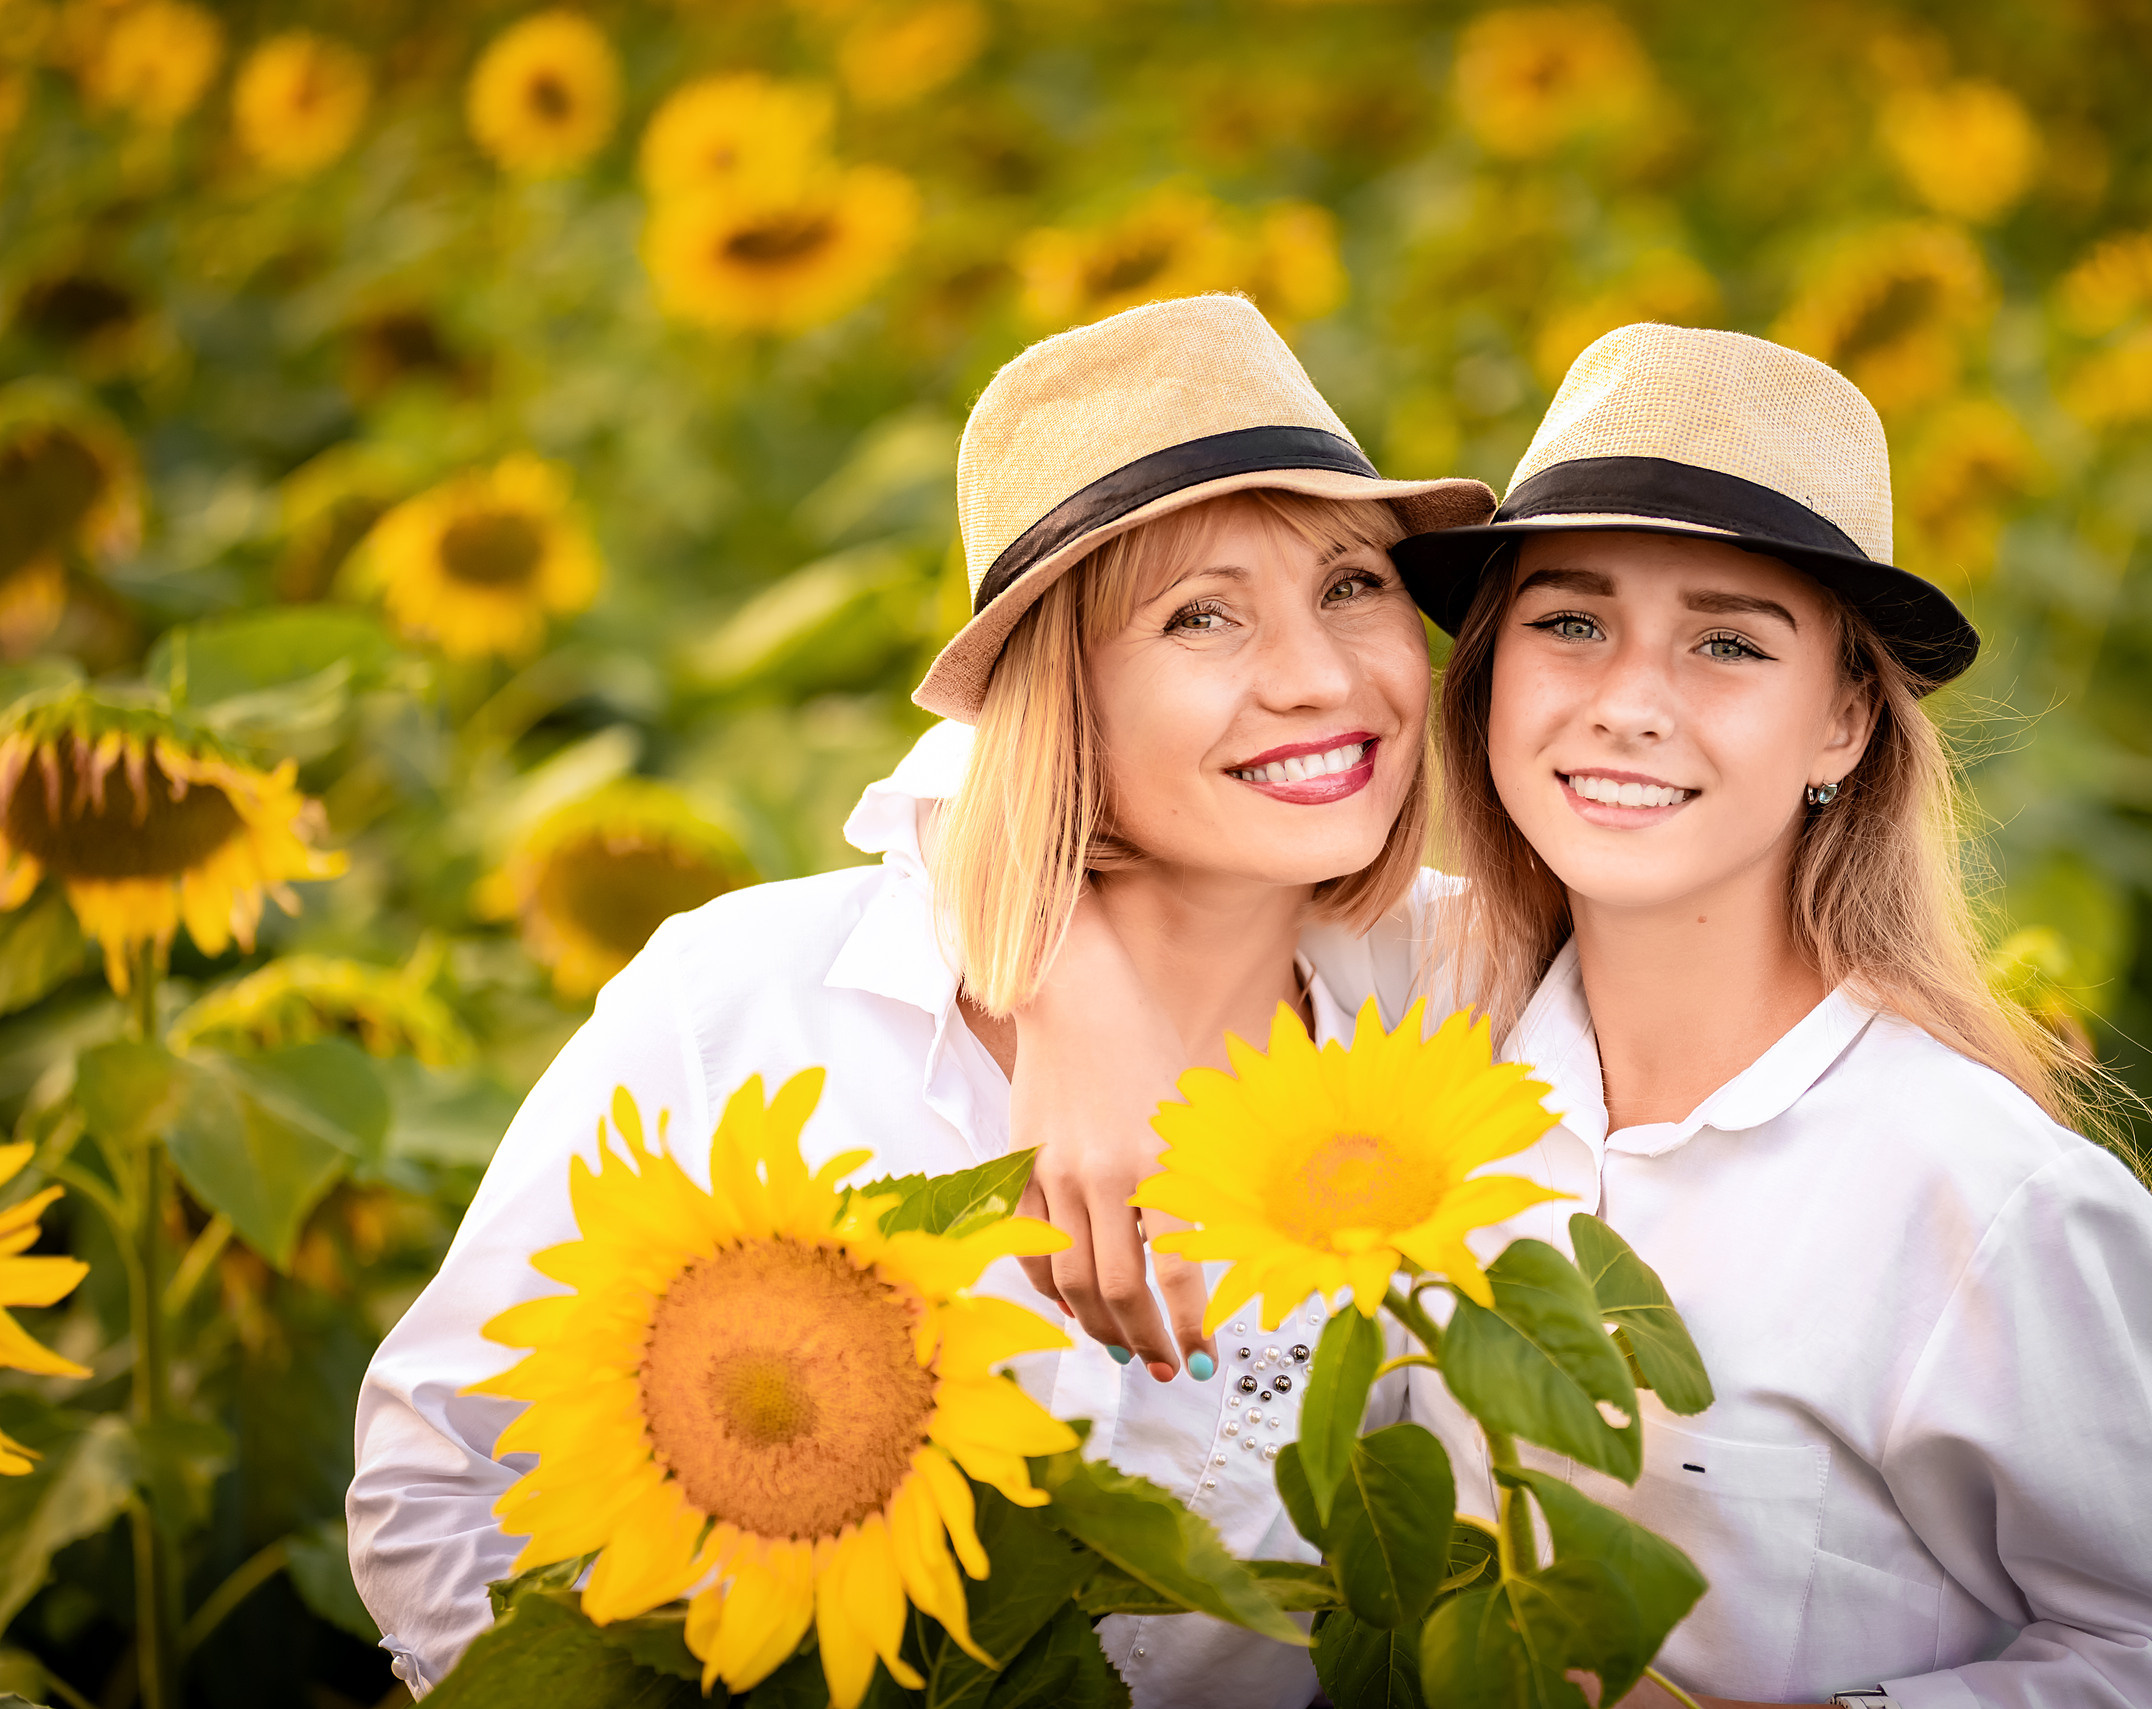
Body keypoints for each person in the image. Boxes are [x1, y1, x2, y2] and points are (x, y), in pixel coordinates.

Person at [1025, 326, 2152, 1708]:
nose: (1628, 704)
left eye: (1729, 643)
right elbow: (1010, 750)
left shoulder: (1978, 1190)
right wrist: (1075, 1005)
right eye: (1570, 623)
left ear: (1845, 721)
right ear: (1491, 672)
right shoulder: (1424, 1010)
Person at [343, 293, 1491, 1707]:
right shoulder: (757, 1003)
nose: (1321, 678)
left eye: (1353, 584)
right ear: (1055, 694)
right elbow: (440, 1476)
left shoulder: (1469, 994)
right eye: (1201, 615)